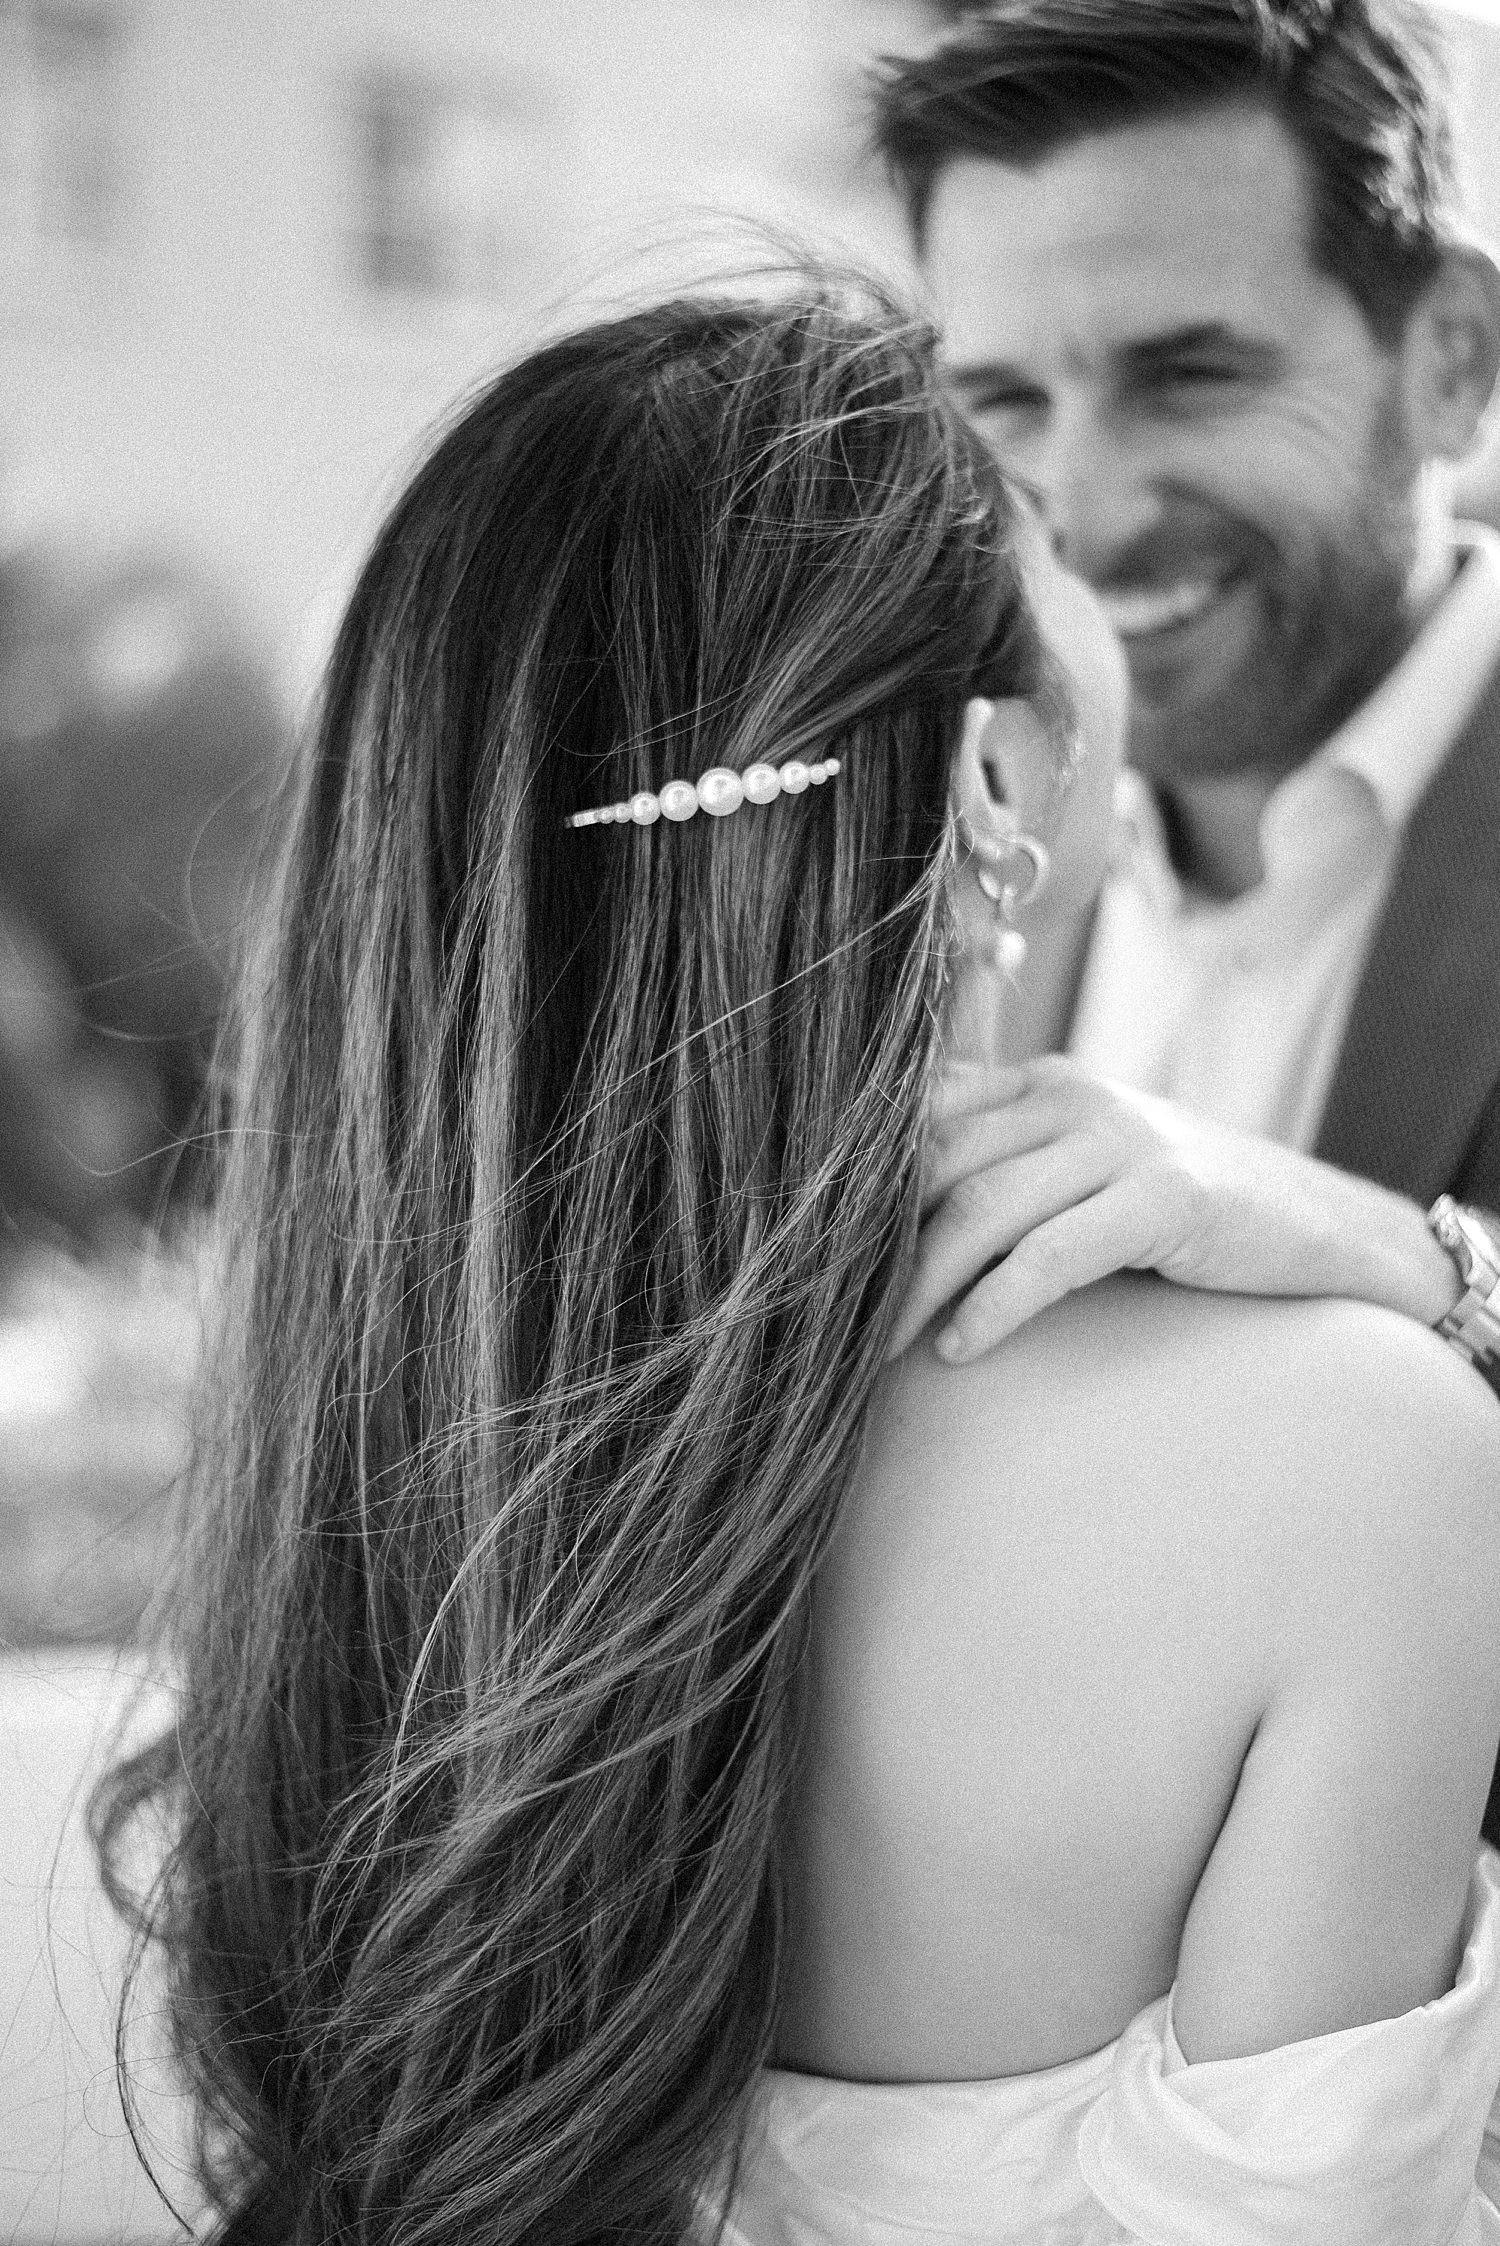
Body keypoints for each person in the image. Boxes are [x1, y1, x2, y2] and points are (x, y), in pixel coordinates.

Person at [93, 291, 1500, 2246]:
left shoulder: (360, 1421)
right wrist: (1436, 1287)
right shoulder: (1356, 1458)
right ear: (993, 786)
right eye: (1046, 528)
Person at [871, 0, 1500, 1403]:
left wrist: (1423, 1269)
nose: (1081, 514)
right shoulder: (930, 836)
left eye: (1191, 375)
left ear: (1451, 359)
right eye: (1005, 402)